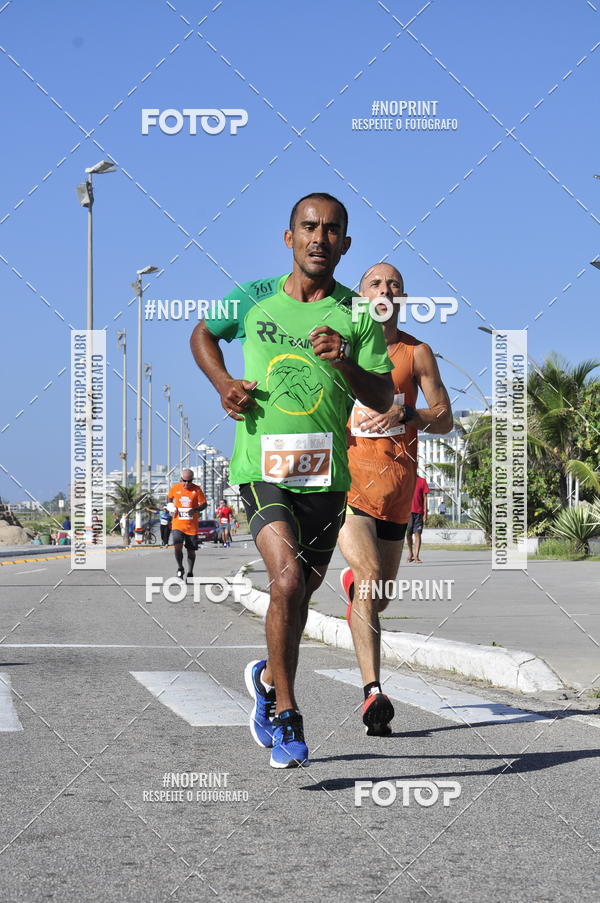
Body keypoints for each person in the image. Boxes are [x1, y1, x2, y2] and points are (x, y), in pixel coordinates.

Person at [190, 192, 394, 768]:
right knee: (283, 582)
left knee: (299, 595)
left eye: (332, 231)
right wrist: (224, 383)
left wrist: (346, 363)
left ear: (345, 244)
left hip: (327, 477)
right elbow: (203, 335)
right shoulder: (253, 299)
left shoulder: (361, 315)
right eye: (309, 227)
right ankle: (286, 710)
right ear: (289, 238)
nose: (319, 239)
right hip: (262, 468)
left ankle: (267, 678)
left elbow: (383, 396)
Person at [338, 263, 453, 735]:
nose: (385, 290)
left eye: (394, 286)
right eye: (375, 284)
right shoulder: (339, 350)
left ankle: (354, 591)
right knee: (369, 578)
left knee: (376, 597)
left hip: (398, 491)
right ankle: (373, 693)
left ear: (402, 298)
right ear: (359, 297)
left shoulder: (415, 352)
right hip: (348, 488)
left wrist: (407, 412)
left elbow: (444, 417)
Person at [167, 469, 207, 580]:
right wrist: (171, 506)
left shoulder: (197, 489)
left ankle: (190, 571)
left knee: (191, 551)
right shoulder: (175, 488)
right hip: (177, 524)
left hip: (192, 526)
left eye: (189, 481)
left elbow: (204, 504)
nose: (187, 483)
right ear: (181, 479)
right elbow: (169, 498)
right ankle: (180, 568)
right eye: (184, 481)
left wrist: (195, 510)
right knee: (177, 546)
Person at [406, 474, 430, 563]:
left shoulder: (422, 481)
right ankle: (410, 553)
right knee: (408, 535)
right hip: (408, 513)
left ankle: (416, 556)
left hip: (419, 513)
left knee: (418, 534)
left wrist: (425, 513)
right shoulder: (406, 481)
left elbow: (425, 498)